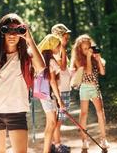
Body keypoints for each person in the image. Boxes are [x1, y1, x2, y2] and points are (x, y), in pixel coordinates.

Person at [0, 13, 45, 153]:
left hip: (17, 111)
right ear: (2, 33)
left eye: (17, 30)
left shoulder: (27, 56)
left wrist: (29, 38)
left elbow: (41, 67)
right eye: (7, 30)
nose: (12, 35)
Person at [70, 34, 109, 150]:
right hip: (85, 88)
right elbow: (88, 72)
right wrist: (88, 57)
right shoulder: (78, 60)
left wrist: (98, 58)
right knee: (84, 114)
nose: (88, 50)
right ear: (80, 49)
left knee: (100, 113)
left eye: (89, 47)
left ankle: (103, 139)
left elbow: (102, 73)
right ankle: (84, 140)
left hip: (95, 88)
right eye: (85, 49)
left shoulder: (94, 56)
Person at [37, 34, 66, 153]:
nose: (59, 48)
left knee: (50, 123)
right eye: (58, 46)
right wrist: (60, 100)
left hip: (42, 94)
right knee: (52, 123)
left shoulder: (40, 59)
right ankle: (46, 150)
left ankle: (47, 150)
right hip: (49, 95)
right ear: (52, 46)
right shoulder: (50, 61)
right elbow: (52, 81)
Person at [51, 24, 72, 152]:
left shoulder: (60, 50)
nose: (67, 38)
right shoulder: (57, 51)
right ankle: (57, 145)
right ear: (59, 36)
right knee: (58, 120)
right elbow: (63, 67)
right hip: (60, 90)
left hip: (64, 88)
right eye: (65, 35)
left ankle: (56, 143)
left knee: (59, 120)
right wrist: (63, 48)